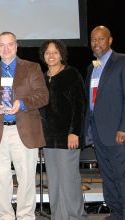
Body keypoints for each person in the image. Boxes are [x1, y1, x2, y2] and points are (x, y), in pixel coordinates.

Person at [0, 31, 49, 220]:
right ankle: (6, 217)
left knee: (26, 178)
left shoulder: (32, 68)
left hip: (24, 131)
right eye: (2, 45)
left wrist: (22, 103)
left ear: (16, 46)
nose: (6, 48)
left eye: (10, 44)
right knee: (0, 179)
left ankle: (26, 216)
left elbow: (43, 95)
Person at [83, 25, 125, 220]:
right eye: (93, 39)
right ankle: (116, 213)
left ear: (110, 40)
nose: (96, 43)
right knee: (107, 177)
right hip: (98, 132)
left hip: (118, 132)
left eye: (100, 39)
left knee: (122, 177)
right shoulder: (93, 67)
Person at [39, 40, 87, 220]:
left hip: (68, 138)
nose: (51, 55)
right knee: (54, 183)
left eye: (55, 52)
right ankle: (58, 217)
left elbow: (80, 106)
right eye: (47, 52)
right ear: (43, 55)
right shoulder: (42, 78)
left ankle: (77, 217)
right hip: (48, 140)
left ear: (62, 54)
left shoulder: (71, 74)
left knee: (69, 182)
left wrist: (74, 132)